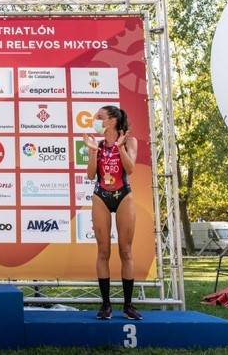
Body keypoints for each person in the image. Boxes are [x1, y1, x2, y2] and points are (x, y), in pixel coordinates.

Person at [83, 105, 142, 320]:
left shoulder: (129, 141)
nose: (95, 120)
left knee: (126, 251)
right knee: (103, 252)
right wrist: (92, 152)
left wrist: (119, 147)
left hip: (123, 195)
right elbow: (91, 175)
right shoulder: (97, 144)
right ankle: (106, 305)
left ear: (113, 120)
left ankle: (128, 305)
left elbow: (130, 169)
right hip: (101, 196)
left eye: (100, 117)